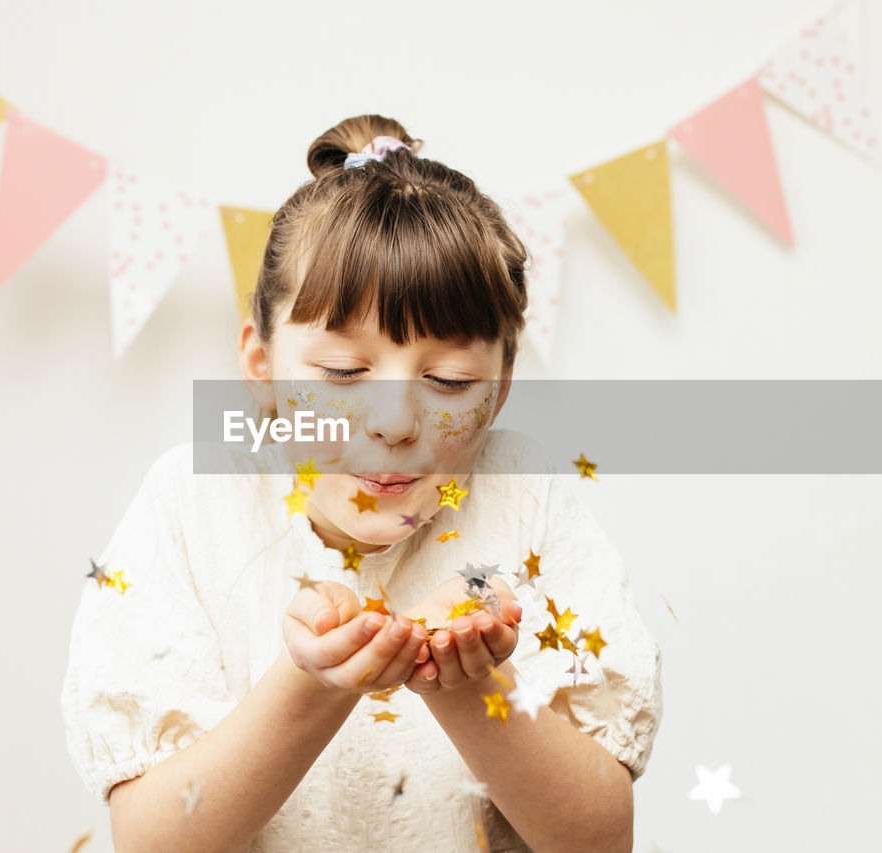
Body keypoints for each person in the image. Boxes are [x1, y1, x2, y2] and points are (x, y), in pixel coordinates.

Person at [60, 114, 663, 852]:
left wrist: (471, 690)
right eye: (344, 373)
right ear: (261, 365)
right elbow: (153, 842)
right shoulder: (194, 501)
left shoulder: (524, 495)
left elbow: (598, 839)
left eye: (449, 380)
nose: (396, 421)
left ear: (499, 389)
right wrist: (313, 684)